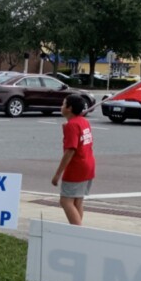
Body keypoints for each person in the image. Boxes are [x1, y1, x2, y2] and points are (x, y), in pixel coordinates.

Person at [51, 94, 95, 225]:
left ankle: (77, 231)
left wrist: (57, 174)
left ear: (69, 108)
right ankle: (77, 229)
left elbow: (70, 150)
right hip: (88, 164)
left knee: (65, 200)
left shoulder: (72, 125)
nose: (62, 106)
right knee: (77, 201)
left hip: (77, 168)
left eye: (64, 104)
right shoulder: (83, 121)